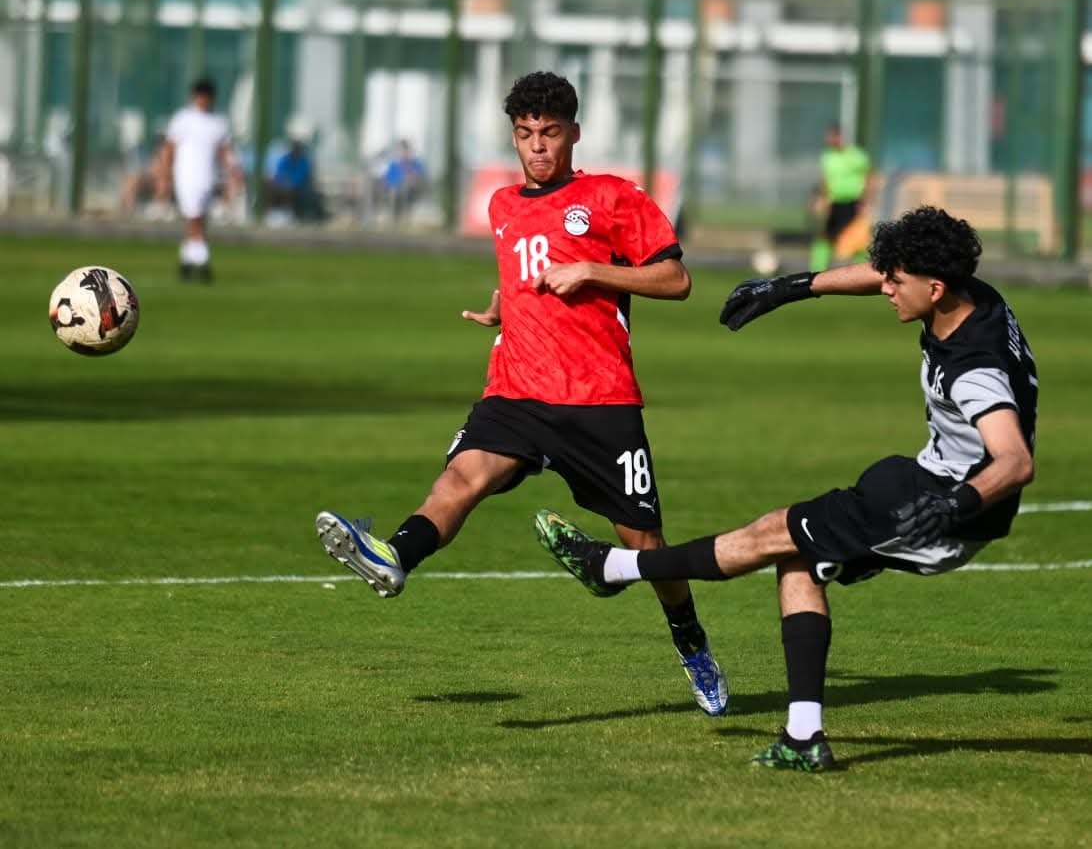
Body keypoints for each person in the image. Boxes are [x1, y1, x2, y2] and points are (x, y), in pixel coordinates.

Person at [534, 206, 1037, 771]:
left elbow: (1015, 461)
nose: (886, 288)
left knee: (775, 532)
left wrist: (953, 504)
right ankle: (804, 737)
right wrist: (792, 287)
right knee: (799, 560)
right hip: (929, 482)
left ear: (934, 286)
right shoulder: (968, 295)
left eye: (895, 282)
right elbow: (884, 273)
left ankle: (612, 569)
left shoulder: (974, 368)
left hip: (938, 503)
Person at [315, 71, 728, 716]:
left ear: (574, 134)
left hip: (599, 401)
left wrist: (592, 269)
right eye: (525, 135)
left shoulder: (612, 197)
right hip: (516, 390)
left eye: (550, 134)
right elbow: (524, 273)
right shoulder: (502, 205)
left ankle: (691, 641)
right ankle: (395, 555)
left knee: (649, 549)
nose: (537, 147)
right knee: (459, 482)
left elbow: (676, 280)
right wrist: (501, 307)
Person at [158, 77, 242, 281]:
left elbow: (224, 151)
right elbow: (169, 147)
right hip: (186, 175)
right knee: (194, 217)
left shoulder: (218, 122)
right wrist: (165, 174)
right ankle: (203, 261)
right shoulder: (183, 119)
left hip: (207, 176)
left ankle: (186, 261)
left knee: (199, 220)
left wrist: (233, 171)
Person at [810, 125, 871, 272]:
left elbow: (869, 178)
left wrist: (865, 200)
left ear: (841, 137)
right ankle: (817, 270)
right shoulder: (828, 156)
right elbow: (824, 179)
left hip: (853, 201)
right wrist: (822, 198)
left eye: (832, 136)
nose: (830, 140)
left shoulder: (857, 155)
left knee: (858, 237)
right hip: (834, 202)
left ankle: (862, 271)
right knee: (825, 236)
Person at [268, 138, 325, 223]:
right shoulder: (284, 159)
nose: (295, 150)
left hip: (300, 188)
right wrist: (284, 183)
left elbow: (301, 177)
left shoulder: (304, 161)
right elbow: (279, 174)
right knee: (272, 189)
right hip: (283, 186)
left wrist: (290, 184)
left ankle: (295, 215)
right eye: (293, 148)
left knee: (300, 193)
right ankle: (274, 215)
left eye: (297, 148)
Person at [381, 139, 427, 220]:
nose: (403, 153)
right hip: (395, 191)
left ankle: (403, 215)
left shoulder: (416, 164)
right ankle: (396, 216)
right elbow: (388, 180)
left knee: (404, 190)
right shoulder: (394, 165)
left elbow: (421, 178)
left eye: (405, 150)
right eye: (401, 150)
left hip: (412, 191)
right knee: (394, 192)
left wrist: (411, 180)